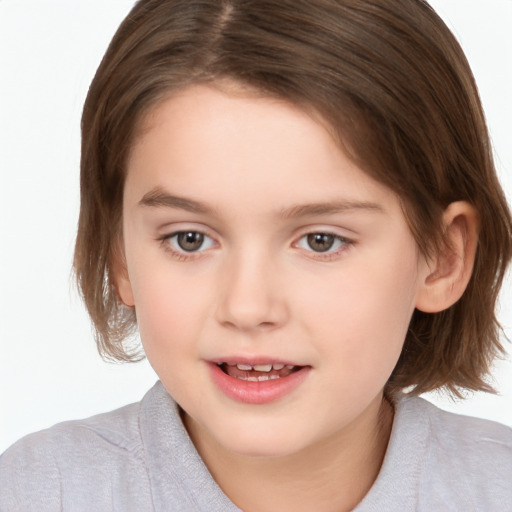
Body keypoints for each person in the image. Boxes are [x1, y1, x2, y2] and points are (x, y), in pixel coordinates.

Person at [1, 0, 511, 510]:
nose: (247, 308)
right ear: (120, 254)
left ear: (443, 256)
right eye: (189, 239)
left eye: (321, 241)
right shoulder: (38, 493)